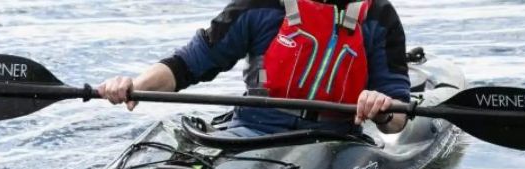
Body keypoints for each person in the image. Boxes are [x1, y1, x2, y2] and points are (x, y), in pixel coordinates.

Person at [98, 0, 410, 137]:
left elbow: (396, 120)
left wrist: (382, 108)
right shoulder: (259, 4)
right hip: (252, 129)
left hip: (336, 139)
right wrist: (133, 85)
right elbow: (187, 65)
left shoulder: (379, 16)